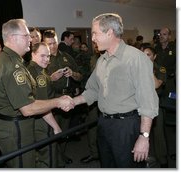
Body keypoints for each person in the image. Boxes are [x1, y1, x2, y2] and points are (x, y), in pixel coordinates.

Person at [72, 13, 159, 168]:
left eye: (95, 33)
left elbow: (148, 101)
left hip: (126, 127)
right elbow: (92, 90)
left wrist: (144, 137)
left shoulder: (136, 58)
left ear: (109, 33)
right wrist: (72, 102)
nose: (92, 38)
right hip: (104, 124)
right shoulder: (102, 59)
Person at [0, 19, 74, 168]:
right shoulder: (12, 65)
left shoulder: (11, 60)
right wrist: (59, 102)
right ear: (13, 38)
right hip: (15, 129)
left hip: (13, 126)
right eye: (26, 35)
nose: (31, 39)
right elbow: (27, 108)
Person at [42, 29, 82, 167]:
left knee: (64, 131)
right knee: (52, 131)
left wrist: (72, 74)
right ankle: (55, 160)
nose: (52, 46)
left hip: (65, 97)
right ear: (44, 43)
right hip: (50, 98)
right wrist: (51, 78)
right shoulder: (42, 59)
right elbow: (36, 83)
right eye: (49, 43)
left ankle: (61, 155)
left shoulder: (66, 57)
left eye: (54, 42)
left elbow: (79, 76)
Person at [27, 42, 62, 168]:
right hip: (43, 123)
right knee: (48, 158)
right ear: (33, 54)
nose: (46, 59)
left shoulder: (29, 69)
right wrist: (56, 127)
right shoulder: (40, 74)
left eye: (48, 56)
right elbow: (42, 106)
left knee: (38, 157)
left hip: (33, 121)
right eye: (42, 56)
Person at [143, 46, 167, 167]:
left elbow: (157, 85)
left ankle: (163, 160)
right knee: (142, 134)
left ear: (154, 56)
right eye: (143, 54)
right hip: (141, 104)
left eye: (148, 55)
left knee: (158, 134)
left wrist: (149, 70)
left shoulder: (160, 69)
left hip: (155, 104)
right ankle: (143, 159)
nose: (145, 57)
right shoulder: (138, 67)